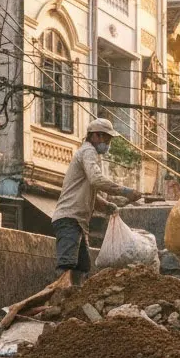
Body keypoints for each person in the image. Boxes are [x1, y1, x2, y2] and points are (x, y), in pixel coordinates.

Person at [51, 118, 142, 285]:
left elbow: (89, 193)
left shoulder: (87, 154)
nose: (107, 144)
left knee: (82, 267)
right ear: (95, 136)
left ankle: (72, 300)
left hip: (77, 221)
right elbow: (96, 180)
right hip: (70, 219)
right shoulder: (88, 152)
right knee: (67, 266)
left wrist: (106, 206)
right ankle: (58, 300)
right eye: (106, 139)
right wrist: (125, 191)